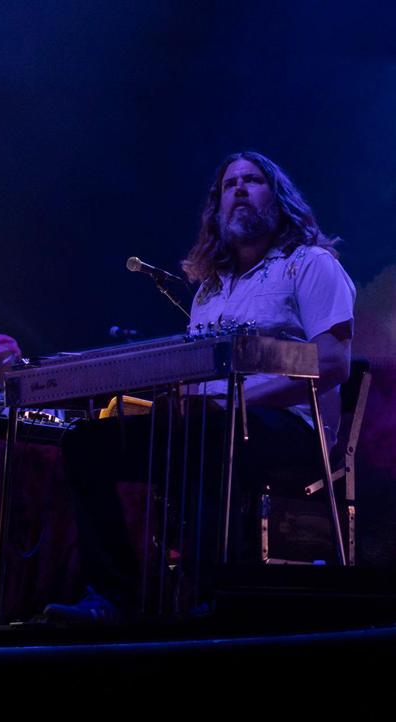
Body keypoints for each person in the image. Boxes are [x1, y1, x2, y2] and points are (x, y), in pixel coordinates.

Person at [45, 151, 355, 624]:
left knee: (209, 438)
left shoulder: (310, 264)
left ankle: (212, 597)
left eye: (253, 181)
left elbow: (333, 363)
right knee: (87, 445)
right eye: (229, 186)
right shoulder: (209, 291)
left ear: (279, 197)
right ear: (217, 208)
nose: (240, 191)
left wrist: (231, 404)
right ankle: (114, 596)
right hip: (212, 424)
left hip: (290, 429)